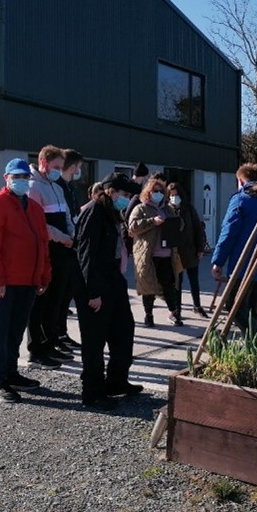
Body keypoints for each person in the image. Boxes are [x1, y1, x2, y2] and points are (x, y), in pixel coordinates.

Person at [0, 158, 52, 403]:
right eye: (16, 177)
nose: (21, 181)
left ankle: (11, 372)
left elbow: (42, 244)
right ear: (7, 178)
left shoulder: (35, 208)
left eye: (25, 177)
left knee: (15, 331)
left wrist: (43, 275)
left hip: (28, 282)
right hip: (4, 282)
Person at [75, 172, 143, 410]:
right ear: (111, 191)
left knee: (124, 331)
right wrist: (93, 293)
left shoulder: (112, 212)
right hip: (96, 284)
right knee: (94, 342)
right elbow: (86, 255)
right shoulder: (94, 212)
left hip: (114, 279)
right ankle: (92, 392)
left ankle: (116, 382)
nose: (126, 199)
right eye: (123, 194)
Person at [210, 163, 257, 334]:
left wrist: (218, 261)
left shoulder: (241, 199)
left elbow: (229, 232)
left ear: (241, 181)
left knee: (234, 307)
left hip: (243, 266)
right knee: (252, 309)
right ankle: (256, 349)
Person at [26, 145, 75, 367]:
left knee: (56, 299)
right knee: (41, 301)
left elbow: (65, 214)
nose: (58, 171)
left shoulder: (55, 186)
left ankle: (50, 344)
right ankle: (36, 349)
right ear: (43, 162)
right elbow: (37, 224)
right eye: (56, 166)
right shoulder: (32, 187)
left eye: (61, 167)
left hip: (62, 249)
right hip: (46, 249)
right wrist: (61, 237)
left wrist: (71, 233)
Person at [128, 176, 184, 327]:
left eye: (161, 191)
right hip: (148, 255)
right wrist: (152, 221)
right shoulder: (141, 208)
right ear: (148, 192)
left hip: (166, 254)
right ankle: (148, 315)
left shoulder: (168, 209)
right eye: (155, 191)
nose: (158, 194)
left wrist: (175, 223)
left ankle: (173, 313)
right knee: (149, 286)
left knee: (168, 285)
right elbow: (132, 227)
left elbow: (180, 225)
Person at [55, 148, 85, 350]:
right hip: (60, 247)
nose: (79, 171)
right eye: (79, 167)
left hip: (73, 246)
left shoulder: (70, 187)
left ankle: (62, 333)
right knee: (57, 297)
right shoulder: (57, 187)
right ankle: (55, 335)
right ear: (73, 166)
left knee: (66, 296)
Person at [167, 181, 209, 317]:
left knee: (194, 280)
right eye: (171, 195)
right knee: (177, 283)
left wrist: (200, 248)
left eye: (176, 194)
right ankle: (177, 310)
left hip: (190, 250)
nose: (174, 197)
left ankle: (197, 305)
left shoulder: (189, 209)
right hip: (175, 252)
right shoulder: (167, 210)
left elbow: (198, 228)